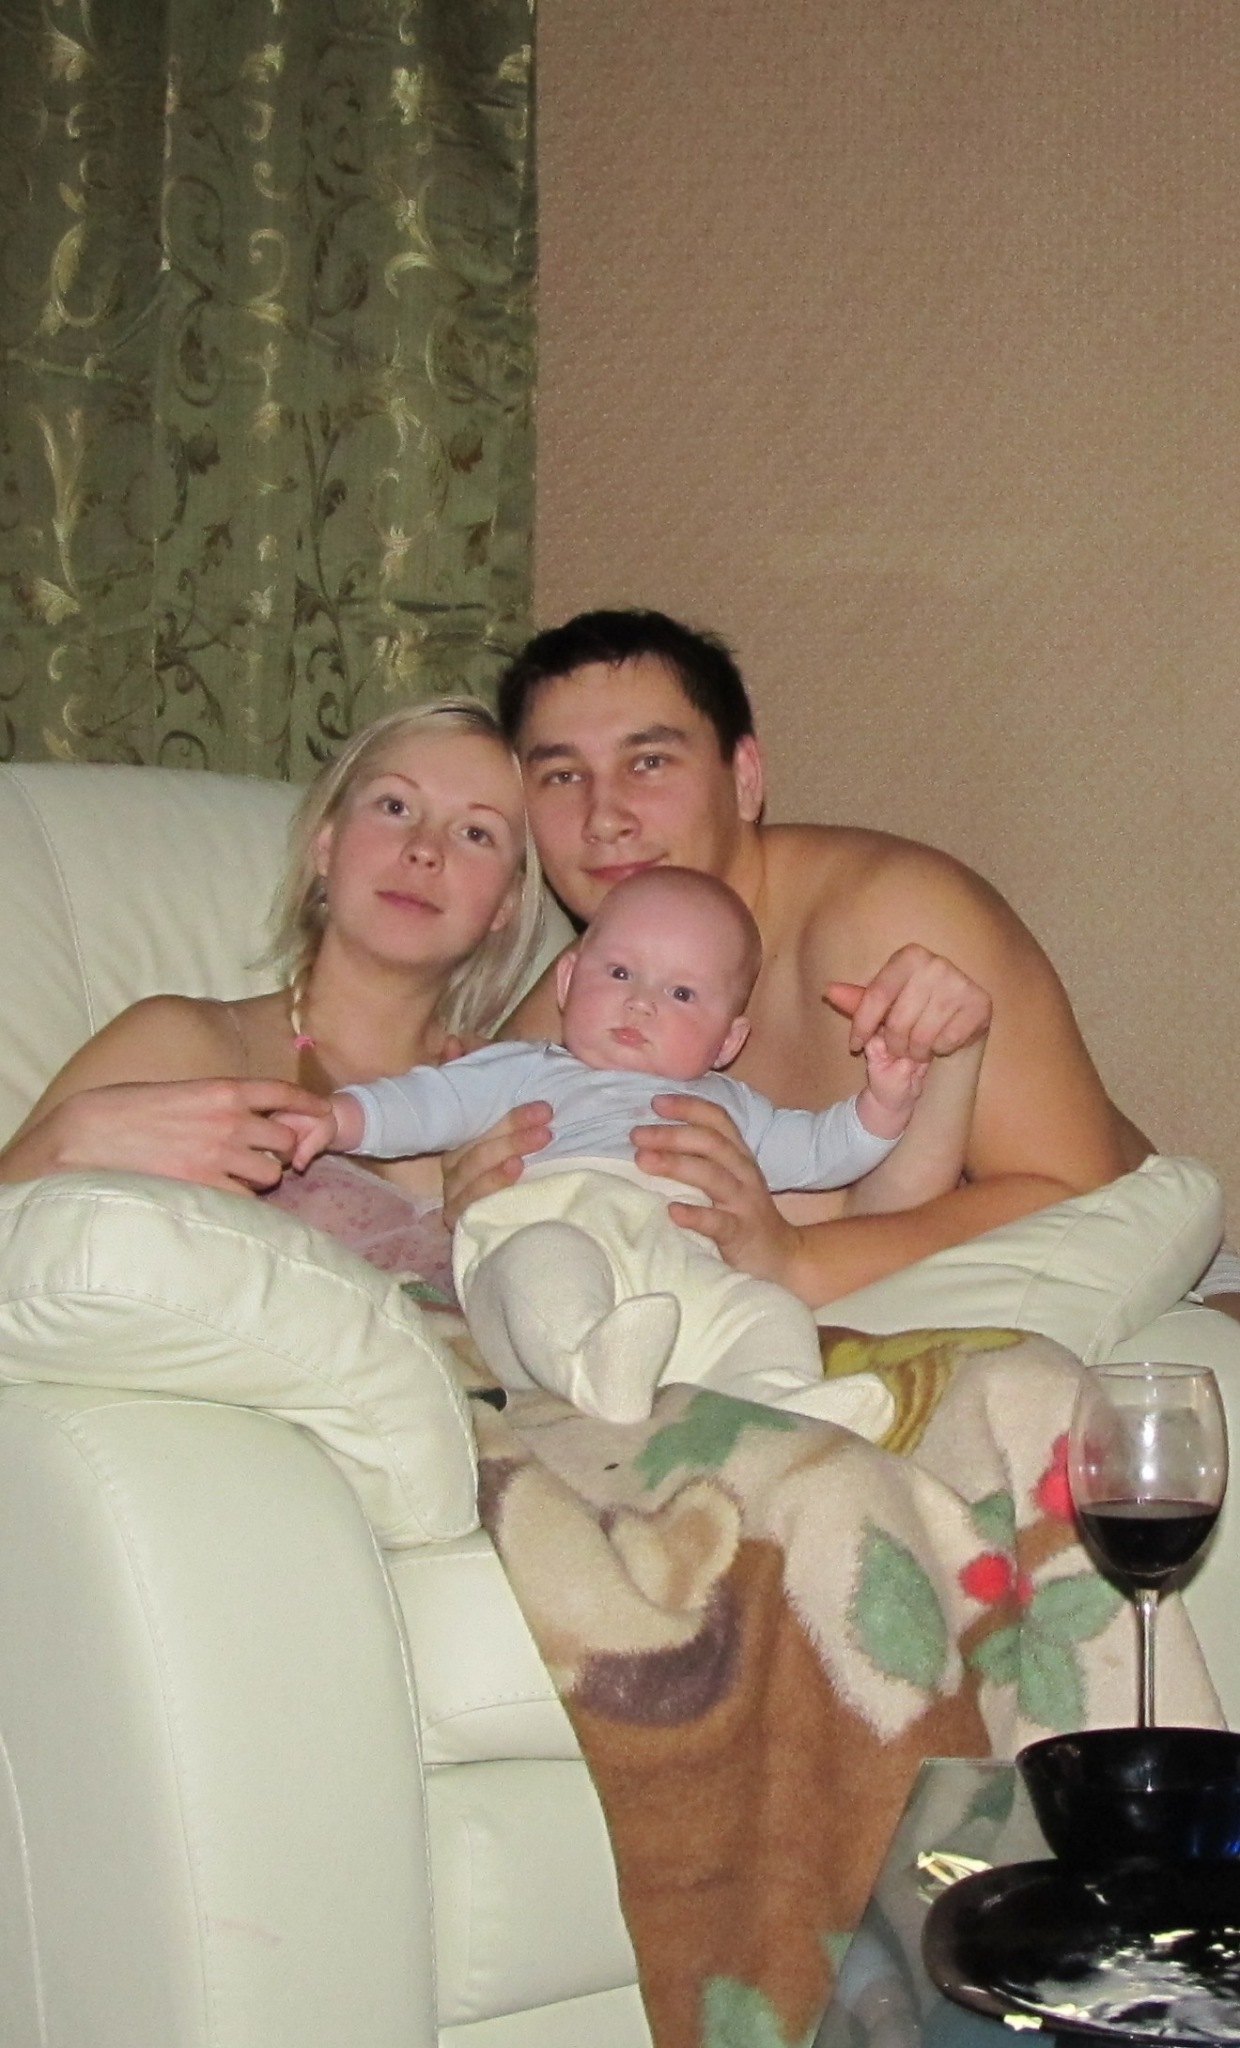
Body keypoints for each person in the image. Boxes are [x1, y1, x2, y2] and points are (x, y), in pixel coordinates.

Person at [440, 607, 1176, 1312]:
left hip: (1139, 1304)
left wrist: (799, 1261)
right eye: (562, 777)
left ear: (745, 779)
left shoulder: (891, 915)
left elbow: (1082, 1204)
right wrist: (471, 1195)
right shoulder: (581, 1001)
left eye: (650, 762)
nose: (604, 818)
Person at [287, 865, 990, 1421]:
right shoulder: (524, 1070)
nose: (641, 1001)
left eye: (682, 995)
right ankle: (586, 1364)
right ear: (568, 982)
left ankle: (783, 1401)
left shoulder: (728, 1108)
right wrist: (337, 1118)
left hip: (676, 1268)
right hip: (552, 1228)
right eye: (620, 973)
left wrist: (883, 1102)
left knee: (766, 1311)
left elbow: (820, 1152)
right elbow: (425, 1102)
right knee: (543, 1262)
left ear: (728, 1041)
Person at [0, 701, 546, 1298]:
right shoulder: (185, 1044)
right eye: (395, 806)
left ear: (506, 904)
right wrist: (71, 1137)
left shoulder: (521, 1097)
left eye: (475, 833)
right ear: (326, 844)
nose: (424, 849)